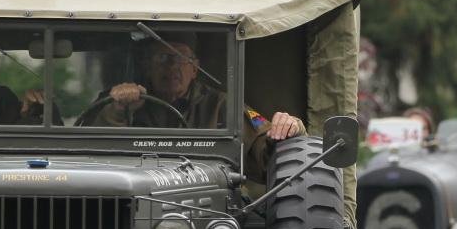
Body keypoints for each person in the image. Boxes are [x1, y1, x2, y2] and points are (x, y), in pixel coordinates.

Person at [88, 39, 305, 181]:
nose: (172, 66)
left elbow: (263, 154)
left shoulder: (221, 104)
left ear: (194, 69)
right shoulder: (120, 101)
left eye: (181, 58)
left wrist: (288, 130)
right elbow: (87, 155)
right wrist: (117, 110)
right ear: (147, 67)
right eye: (162, 58)